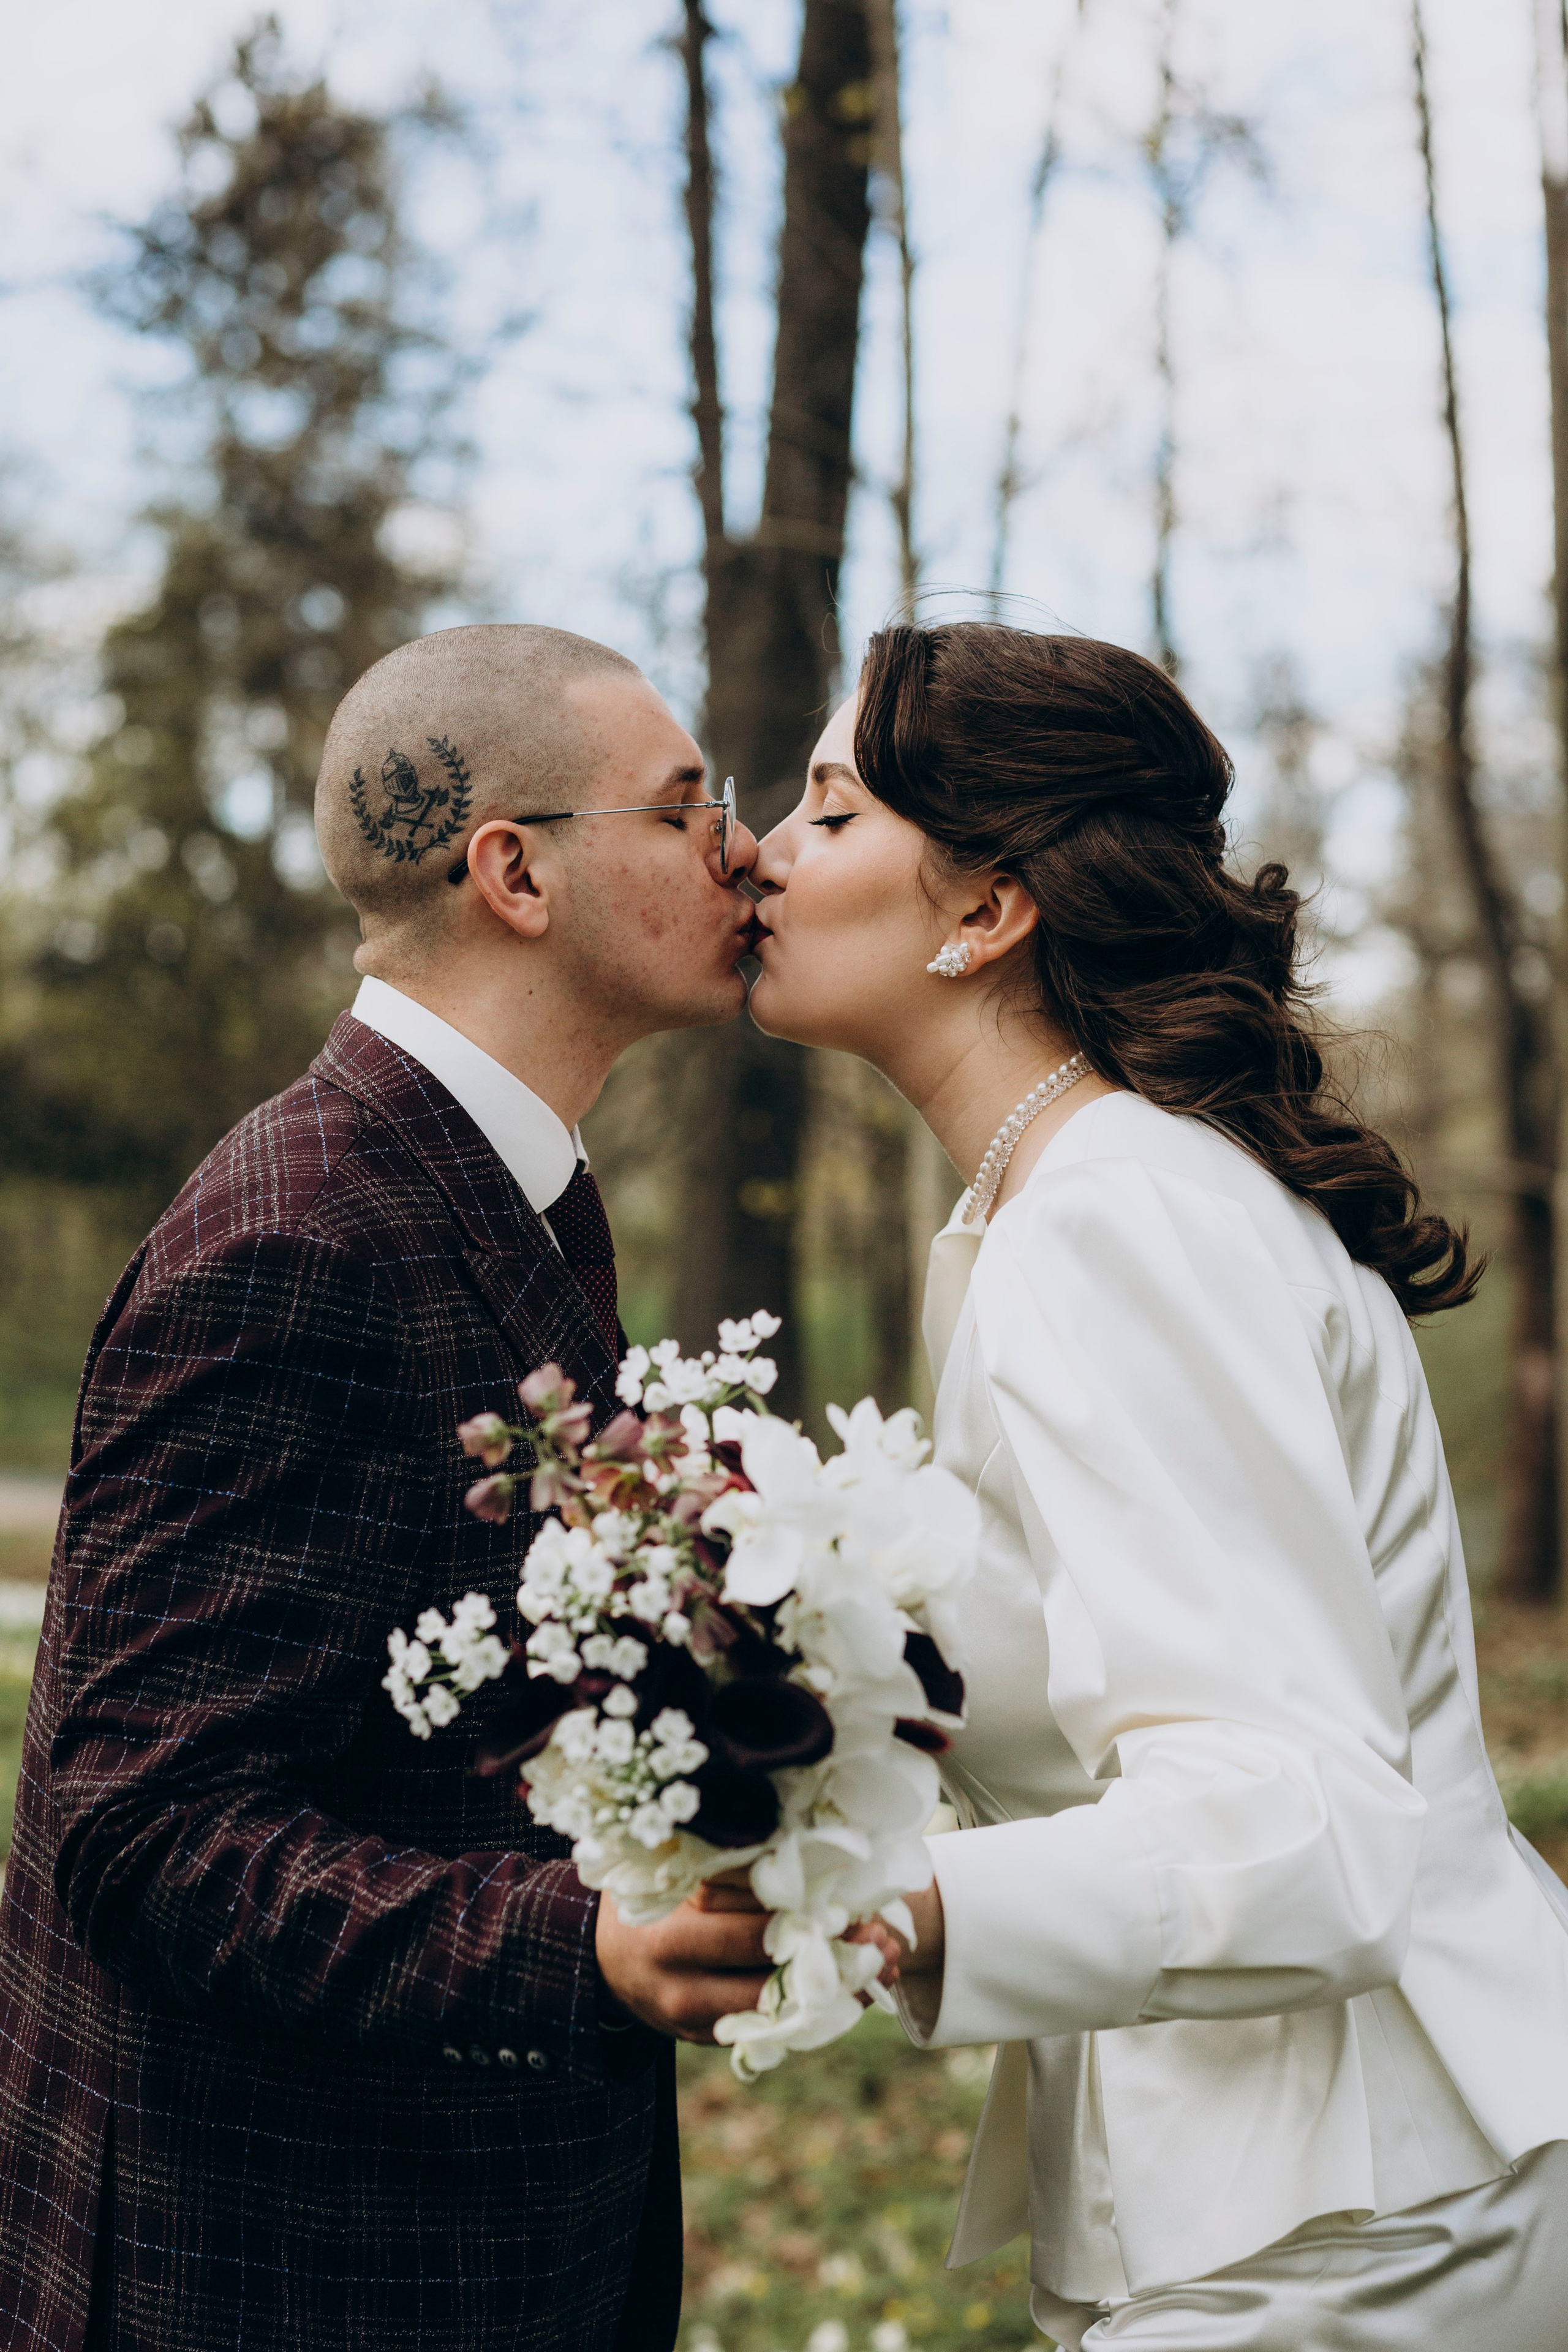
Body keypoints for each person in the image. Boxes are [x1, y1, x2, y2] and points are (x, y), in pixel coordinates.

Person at [745, 619, 1568, 2351]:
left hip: (1345, 2206)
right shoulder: (1070, 1204)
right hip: (1299, 2179)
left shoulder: (1115, 1222)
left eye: (828, 811)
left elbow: (1303, 1822)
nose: (760, 849)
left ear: (983, 912)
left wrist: (870, 1914)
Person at [0, 623, 772, 2352]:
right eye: (683, 806)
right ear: (515, 870)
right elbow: (140, 1823)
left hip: (471, 2234)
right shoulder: (295, 1242)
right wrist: (573, 1950)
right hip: (289, 2263)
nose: (741, 849)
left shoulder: (510, 1187)